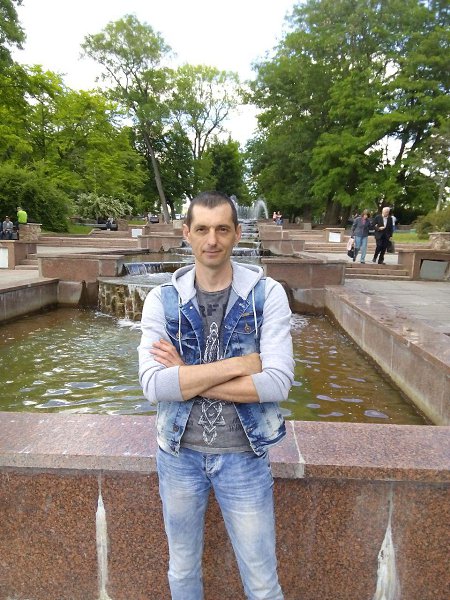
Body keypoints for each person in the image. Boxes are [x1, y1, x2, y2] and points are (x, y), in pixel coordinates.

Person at [139, 191, 294, 600]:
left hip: (244, 456)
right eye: (203, 229)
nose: (212, 240)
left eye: (222, 229)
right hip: (179, 457)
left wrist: (184, 376)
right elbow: (153, 386)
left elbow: (277, 383)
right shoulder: (161, 300)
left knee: (263, 583)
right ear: (186, 233)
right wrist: (241, 365)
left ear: (238, 233)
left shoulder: (266, 295)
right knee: (182, 571)